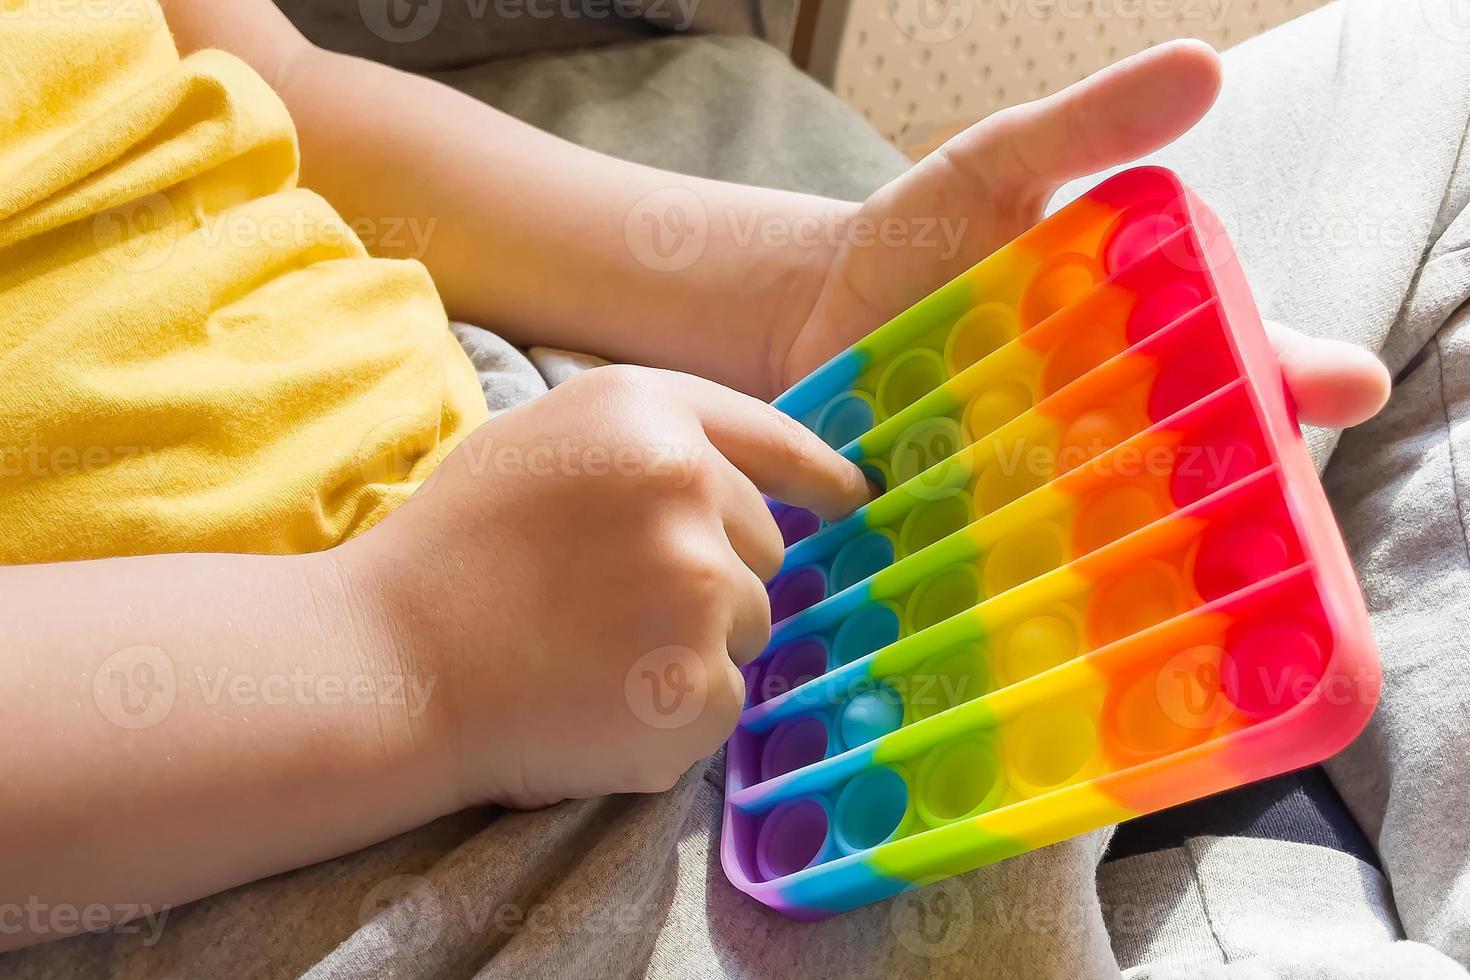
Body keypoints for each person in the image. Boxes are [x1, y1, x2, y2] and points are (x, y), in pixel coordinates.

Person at [2, 0, 1462, 976]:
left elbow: (291, 102)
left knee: (1431, 74)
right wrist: (410, 659)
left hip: (572, 462)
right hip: (318, 819)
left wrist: (789, 297)